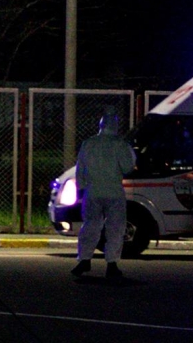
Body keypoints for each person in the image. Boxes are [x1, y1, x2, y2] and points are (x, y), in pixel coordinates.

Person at [70, 113, 136, 282]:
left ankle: (84, 260)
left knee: (90, 226)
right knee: (115, 228)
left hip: (92, 192)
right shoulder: (120, 144)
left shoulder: (89, 144)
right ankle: (111, 264)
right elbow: (127, 167)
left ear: (100, 125)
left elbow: (80, 168)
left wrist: (81, 187)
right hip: (114, 192)